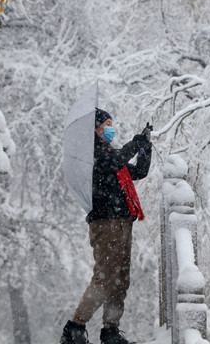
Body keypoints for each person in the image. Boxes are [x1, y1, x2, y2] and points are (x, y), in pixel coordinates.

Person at [60, 108, 152, 344]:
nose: (111, 129)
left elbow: (139, 171)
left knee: (121, 279)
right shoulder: (91, 154)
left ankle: (111, 331)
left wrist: (145, 147)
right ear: (95, 128)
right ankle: (74, 329)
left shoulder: (108, 153)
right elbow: (114, 162)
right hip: (106, 224)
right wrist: (133, 144)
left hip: (122, 221)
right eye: (107, 124)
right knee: (105, 278)